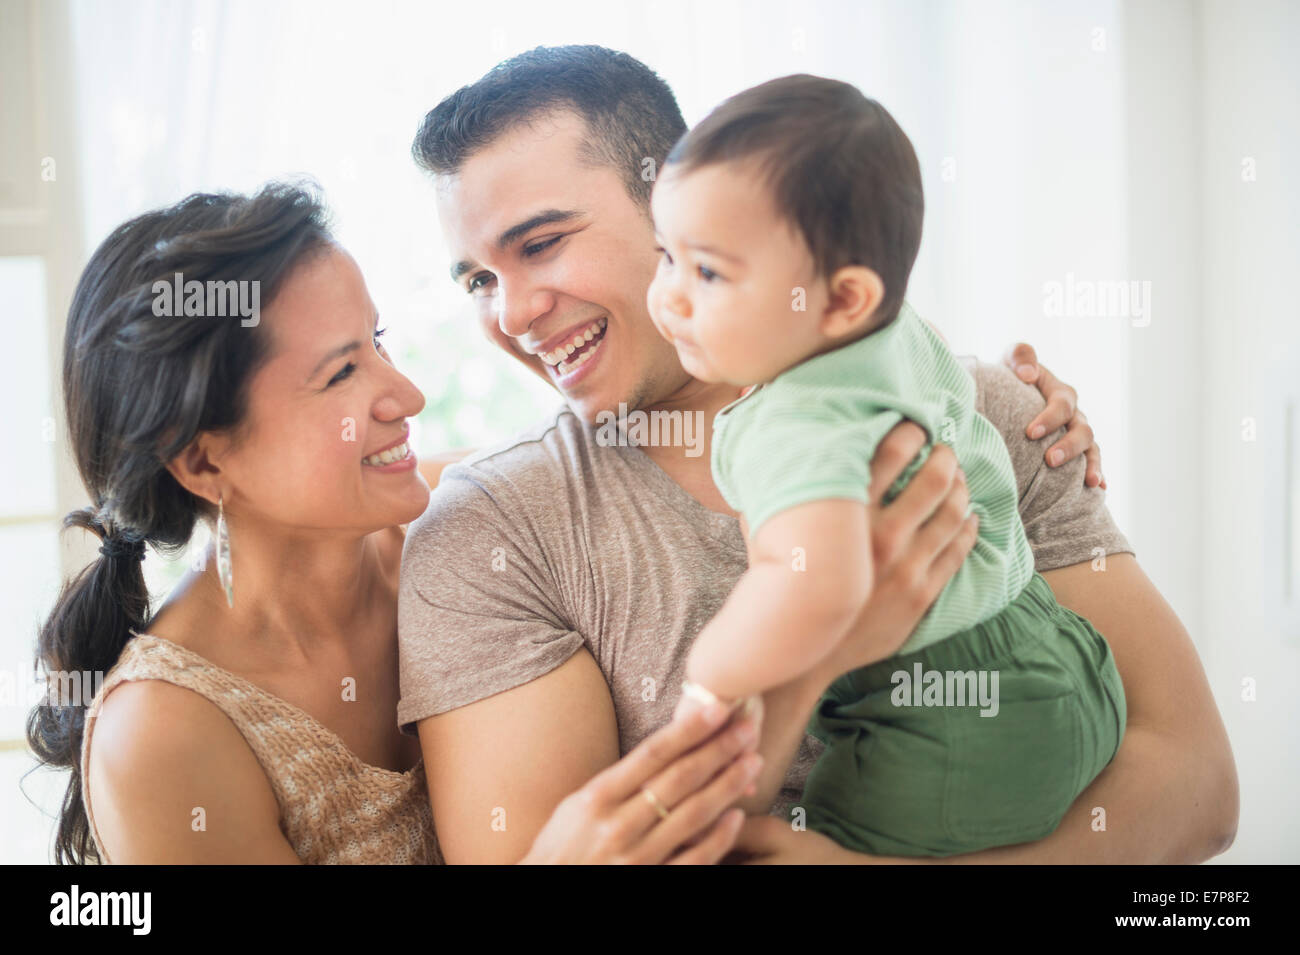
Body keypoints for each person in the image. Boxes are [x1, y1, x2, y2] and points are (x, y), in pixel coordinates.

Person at [400, 44, 1235, 864]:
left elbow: (1196, 792)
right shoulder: (493, 534)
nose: (509, 315)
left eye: (540, 243)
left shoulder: (995, 411)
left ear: (677, 205)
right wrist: (821, 659)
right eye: (476, 280)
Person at [28, 182, 762, 864]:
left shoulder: (486, 518)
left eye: (376, 341)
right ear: (203, 464)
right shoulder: (162, 735)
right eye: (341, 374)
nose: (406, 395)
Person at [646, 73, 1126, 856]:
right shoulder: (895, 335)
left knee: (783, 843)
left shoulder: (793, 420)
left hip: (947, 724)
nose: (667, 297)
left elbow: (820, 579)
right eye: (665, 256)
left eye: (707, 272)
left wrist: (716, 667)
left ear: (840, 300)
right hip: (1063, 652)